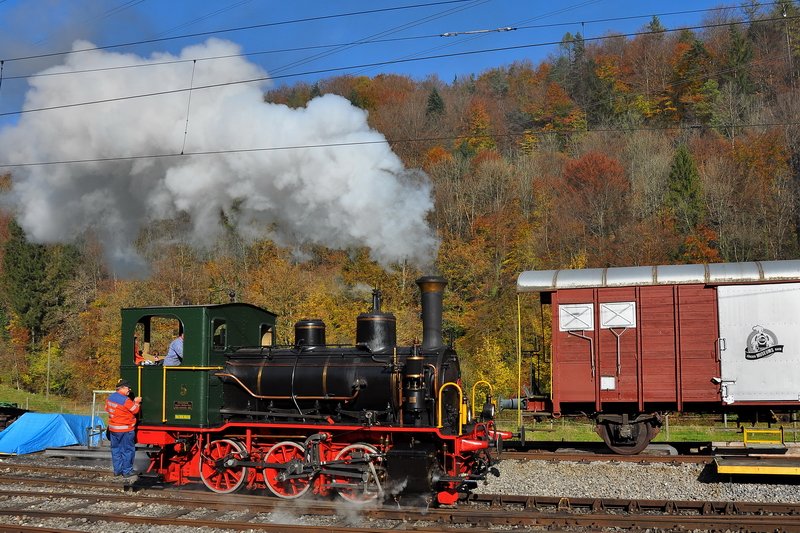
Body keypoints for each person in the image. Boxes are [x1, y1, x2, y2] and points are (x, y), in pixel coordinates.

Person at [105, 379, 141, 482]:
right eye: (127, 387)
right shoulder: (125, 400)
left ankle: (117, 470)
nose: (129, 389)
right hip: (125, 429)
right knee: (128, 450)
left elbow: (107, 409)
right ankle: (127, 471)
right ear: (122, 388)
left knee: (116, 450)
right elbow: (135, 410)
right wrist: (137, 402)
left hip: (113, 429)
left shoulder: (110, 398)